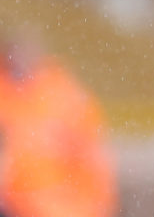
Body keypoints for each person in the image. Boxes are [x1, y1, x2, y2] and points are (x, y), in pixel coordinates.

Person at [0, 29, 118, 217]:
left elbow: (92, 158)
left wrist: (97, 205)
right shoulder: (10, 97)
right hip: (19, 202)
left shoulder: (64, 98)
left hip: (56, 203)